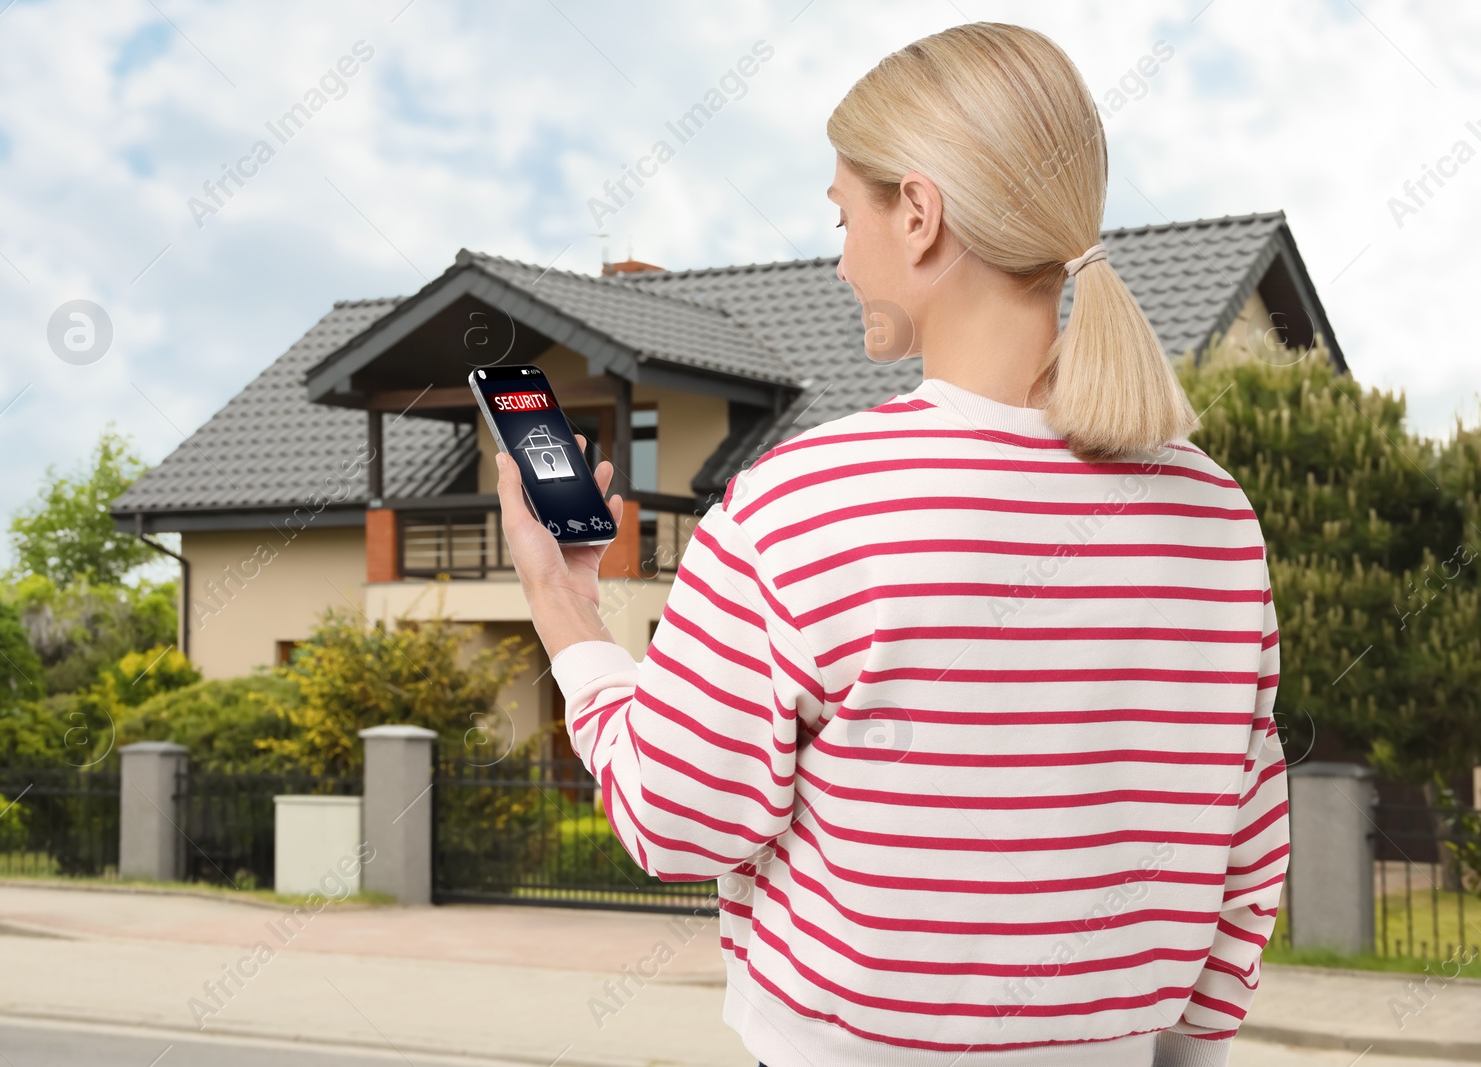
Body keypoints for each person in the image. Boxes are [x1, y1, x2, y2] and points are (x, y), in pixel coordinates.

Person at [495, 21, 1288, 1067]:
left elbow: (676, 820)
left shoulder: (798, 505)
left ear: (917, 212)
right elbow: (1245, 840)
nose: (837, 260)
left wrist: (565, 609)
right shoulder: (1215, 516)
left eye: (843, 215)